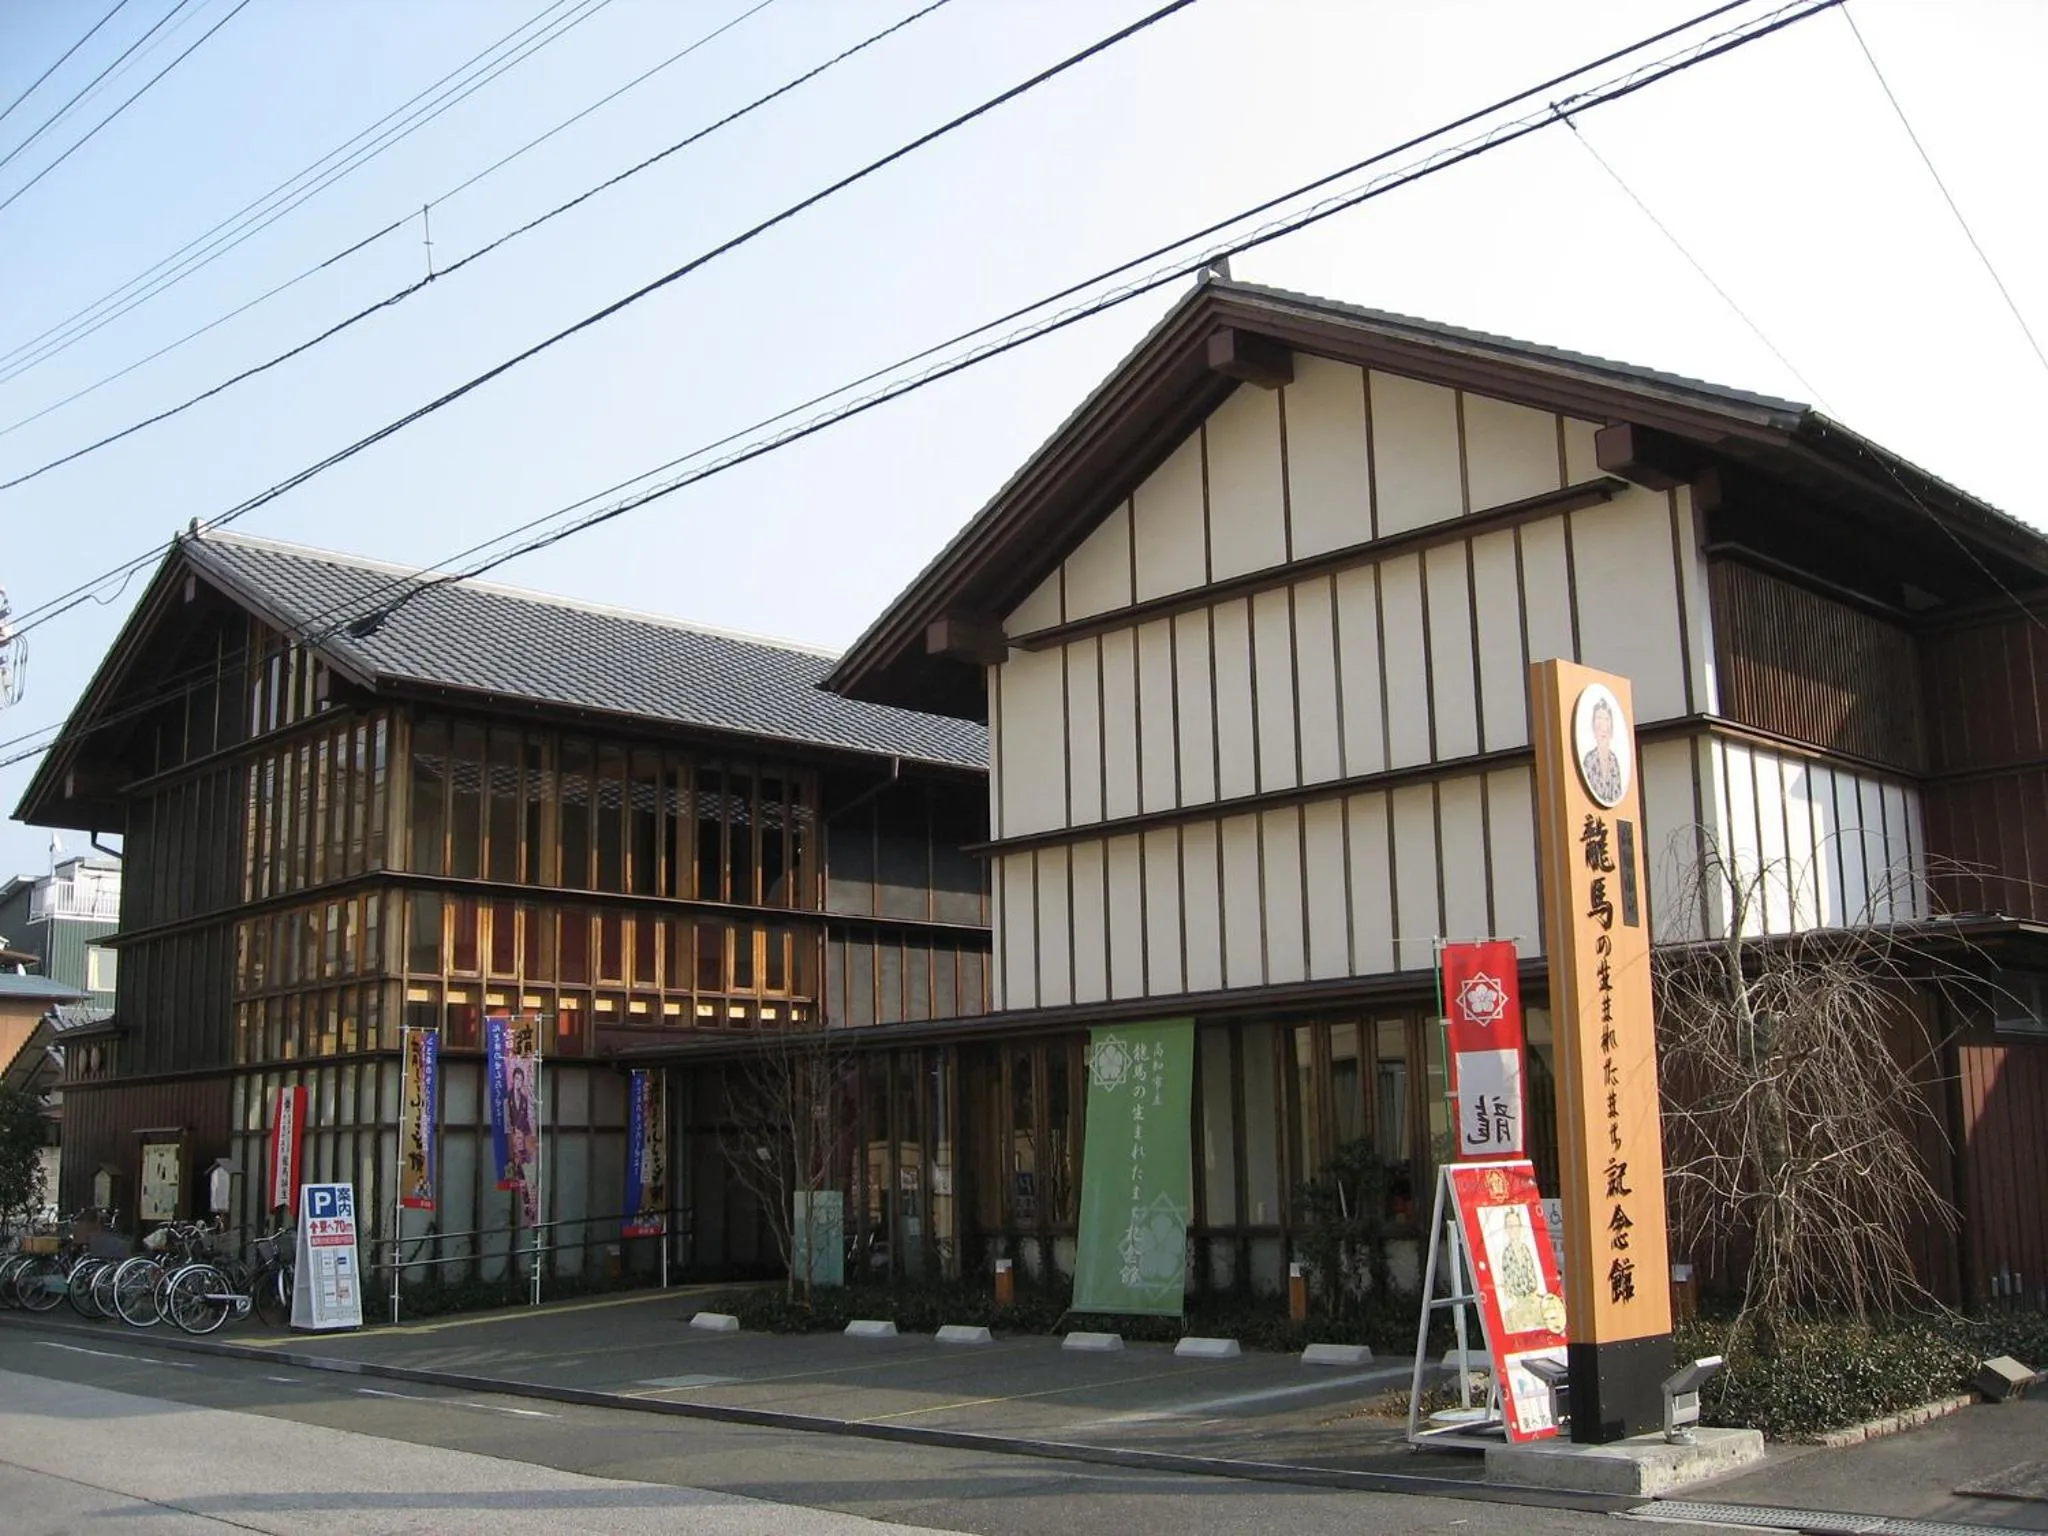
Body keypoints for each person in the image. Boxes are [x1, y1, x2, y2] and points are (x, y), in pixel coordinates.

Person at [1581, 695, 1625, 806]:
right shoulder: (1589, 760)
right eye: (1599, 718)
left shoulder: (1614, 761)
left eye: (1606, 719)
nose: (1603, 727)